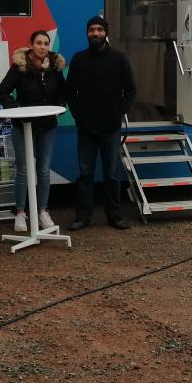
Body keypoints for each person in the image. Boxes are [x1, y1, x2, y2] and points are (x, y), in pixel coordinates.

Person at [65, 15, 136, 230]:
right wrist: (78, 114)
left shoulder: (119, 59)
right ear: (87, 34)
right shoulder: (78, 59)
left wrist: (118, 112)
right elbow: (70, 91)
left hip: (111, 127)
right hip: (85, 127)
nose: (95, 33)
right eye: (91, 30)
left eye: (99, 30)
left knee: (111, 174)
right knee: (85, 174)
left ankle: (114, 215)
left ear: (106, 33)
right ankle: (83, 217)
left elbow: (130, 90)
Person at [0, 30, 66, 233]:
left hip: (47, 127)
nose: (43, 46)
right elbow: (2, 92)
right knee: (23, 170)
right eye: (39, 42)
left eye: (46, 43)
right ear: (31, 44)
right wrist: (17, 110)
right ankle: (20, 213)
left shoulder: (55, 68)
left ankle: (43, 211)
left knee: (43, 170)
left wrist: (58, 109)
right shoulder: (20, 67)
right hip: (23, 127)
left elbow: (63, 92)